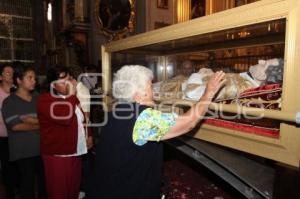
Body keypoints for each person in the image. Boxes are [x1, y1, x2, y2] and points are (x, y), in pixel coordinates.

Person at [87, 65, 225, 199]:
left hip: (104, 187)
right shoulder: (143, 119)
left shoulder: (117, 111)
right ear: (139, 94)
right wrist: (209, 92)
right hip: (126, 191)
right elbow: (188, 123)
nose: (153, 90)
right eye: (150, 86)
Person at [37, 66, 92, 199]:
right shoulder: (45, 100)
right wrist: (72, 96)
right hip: (58, 154)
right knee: (59, 192)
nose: (69, 84)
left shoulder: (72, 99)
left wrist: (88, 134)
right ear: (53, 85)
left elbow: (82, 118)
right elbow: (65, 118)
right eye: (64, 81)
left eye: (70, 80)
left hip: (75, 150)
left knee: (73, 189)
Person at [2, 64, 46, 199]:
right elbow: (15, 126)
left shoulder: (38, 98)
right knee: (27, 187)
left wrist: (28, 120)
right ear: (19, 80)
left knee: (44, 185)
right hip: (23, 151)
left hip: (42, 149)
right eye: (30, 77)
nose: (34, 80)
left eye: (34, 78)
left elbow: (47, 119)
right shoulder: (10, 101)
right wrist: (40, 124)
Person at [0, 63, 18, 199]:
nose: (10, 74)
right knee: (7, 166)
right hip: (3, 135)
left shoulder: (18, 91)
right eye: (7, 72)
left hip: (18, 135)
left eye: (12, 72)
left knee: (18, 165)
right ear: (0, 77)